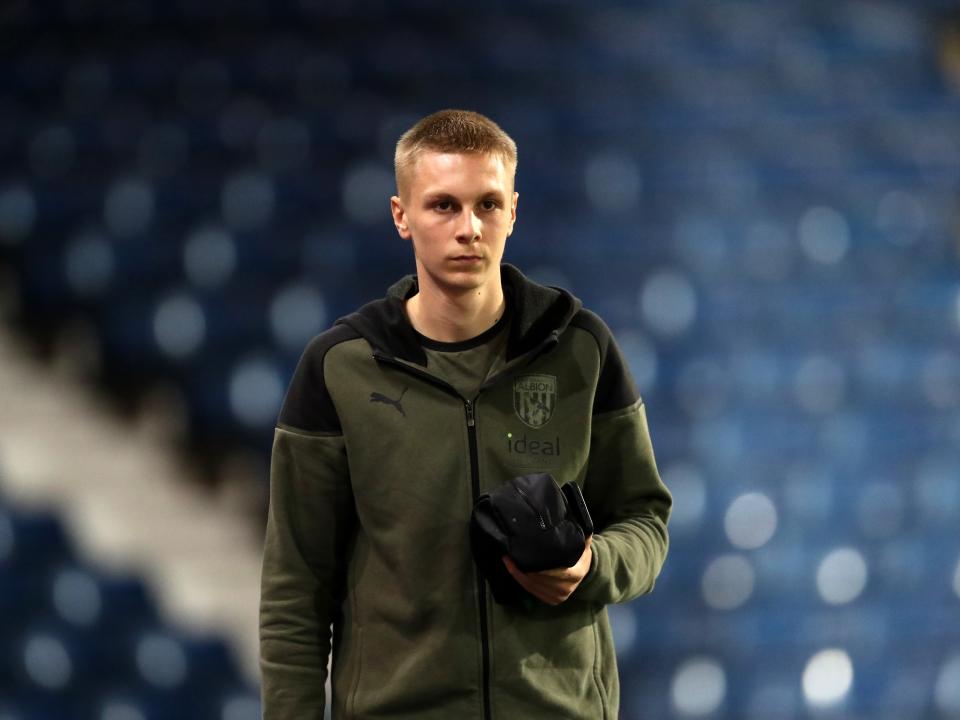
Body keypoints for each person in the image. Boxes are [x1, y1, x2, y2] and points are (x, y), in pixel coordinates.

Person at [259, 109, 672, 720]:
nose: (469, 228)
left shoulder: (581, 348)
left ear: (514, 211)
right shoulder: (340, 367)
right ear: (401, 216)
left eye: (488, 205)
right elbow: (296, 588)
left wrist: (595, 565)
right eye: (443, 205)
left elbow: (645, 520)